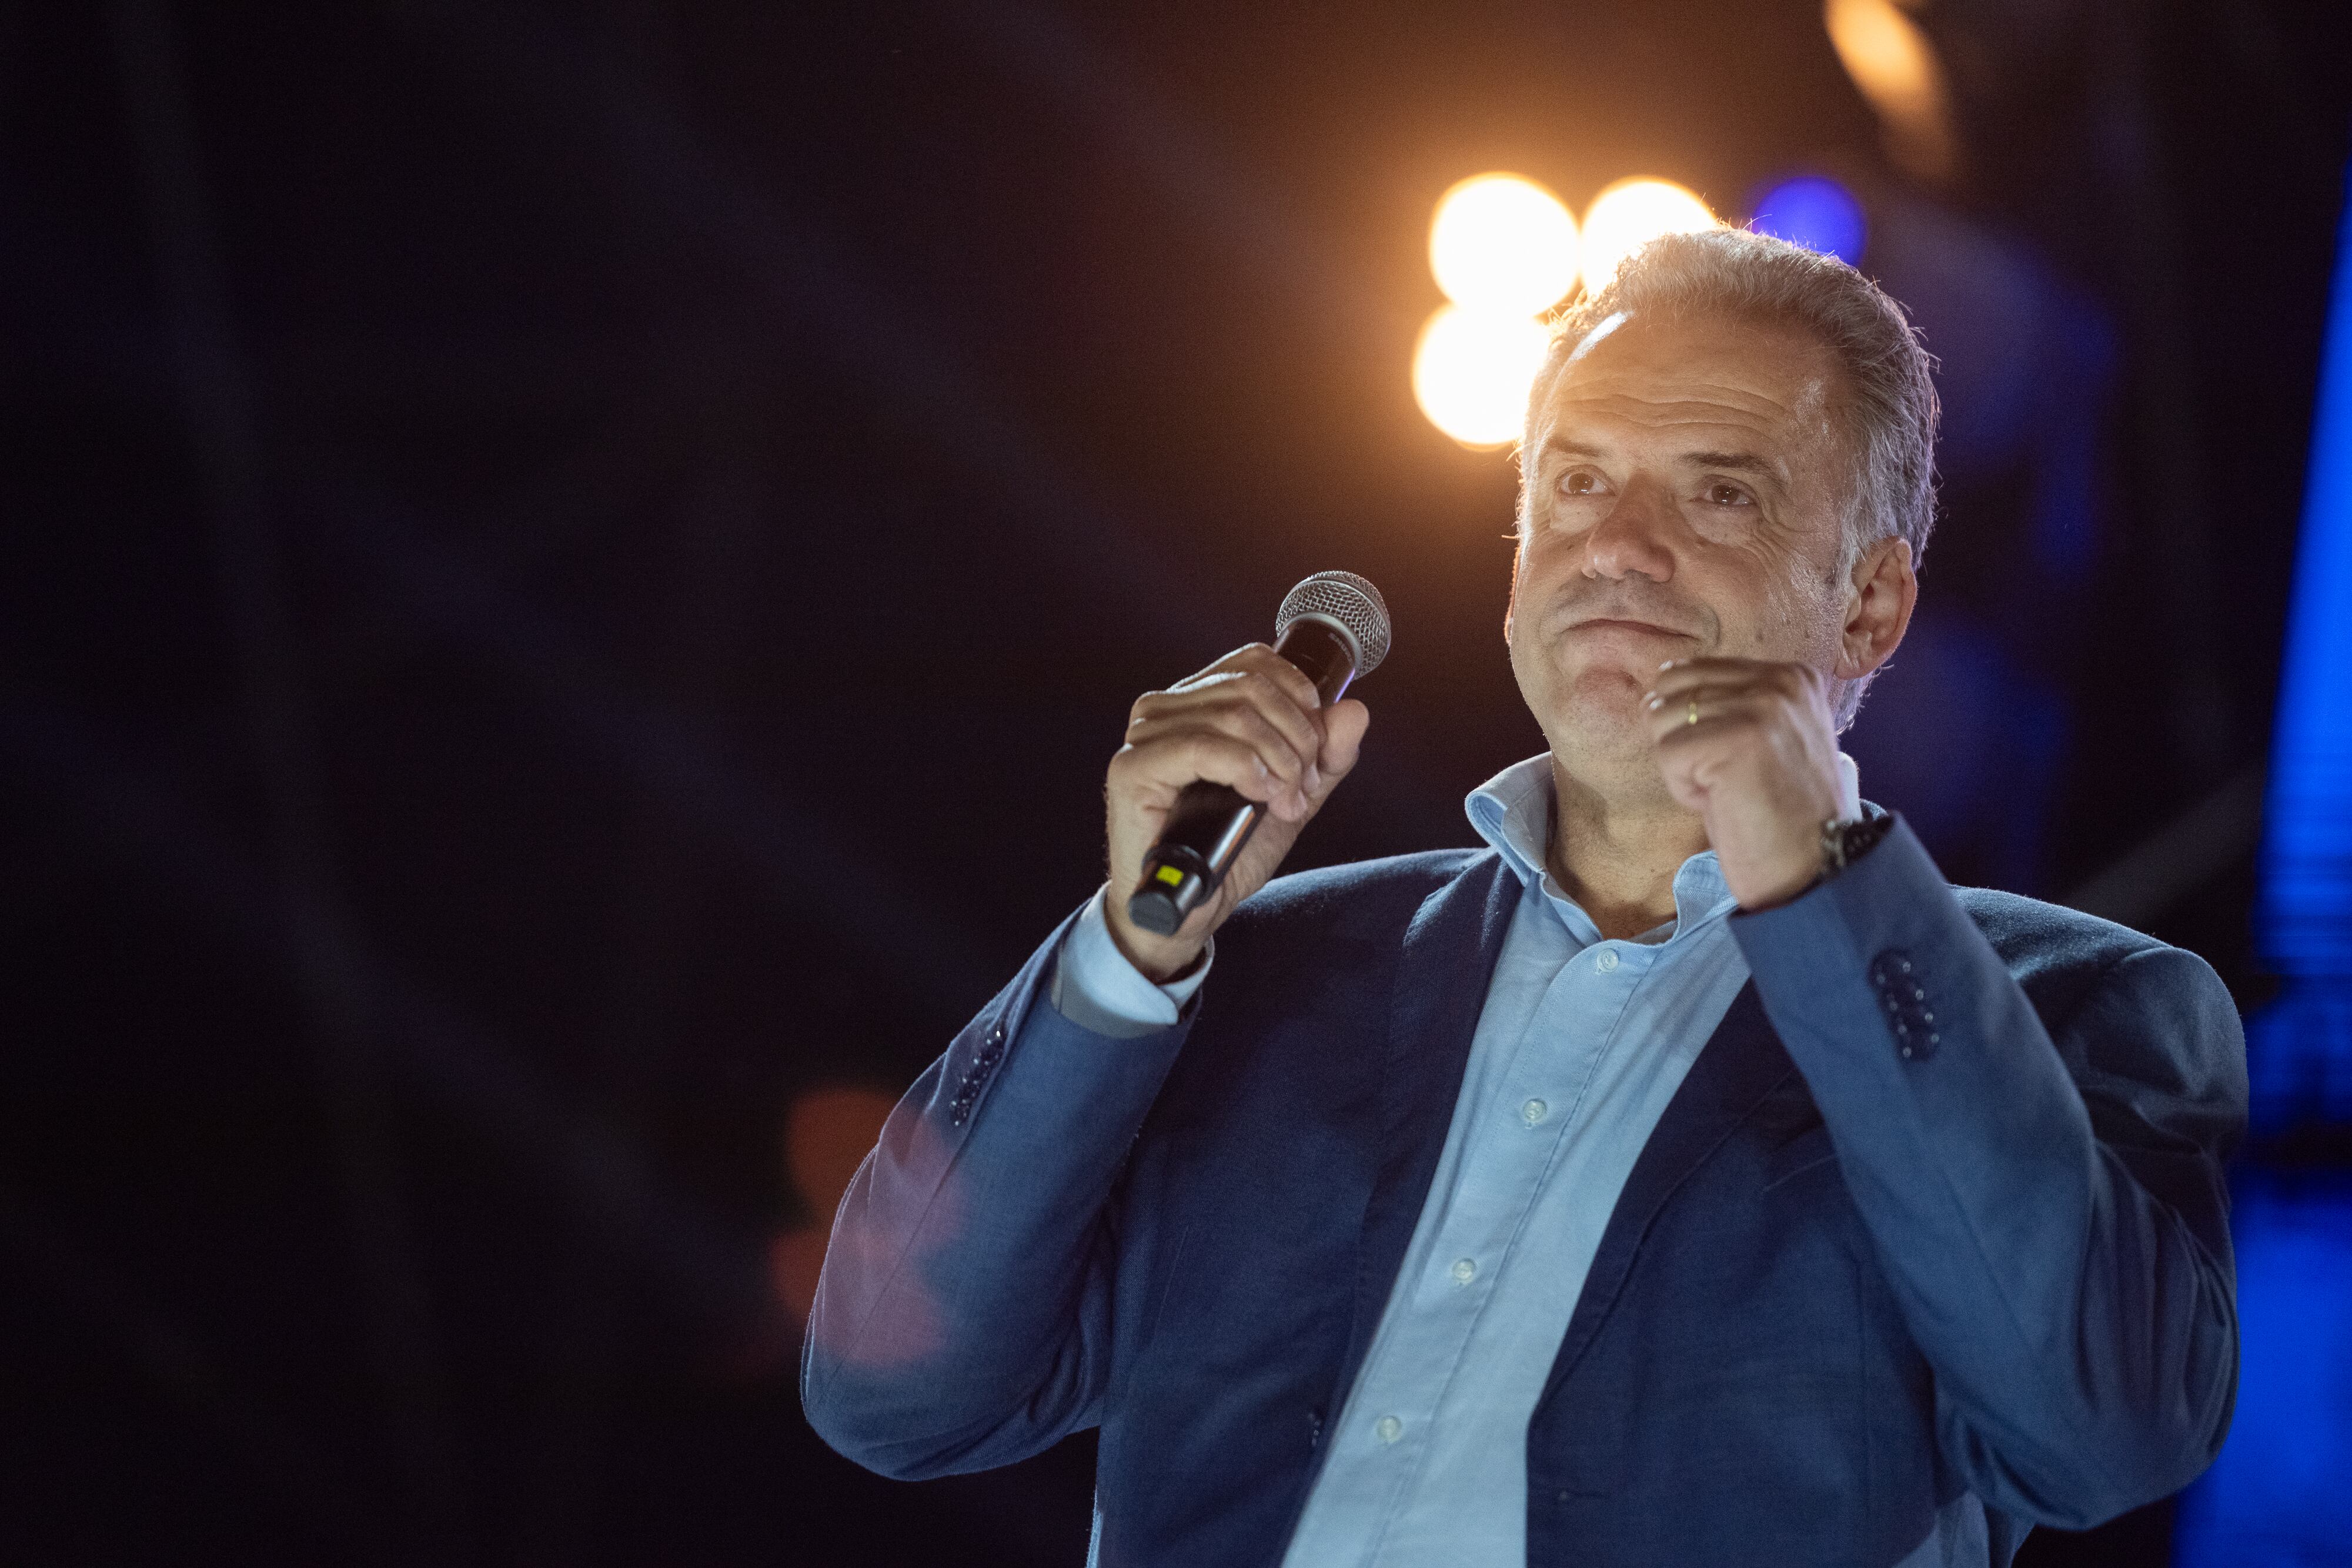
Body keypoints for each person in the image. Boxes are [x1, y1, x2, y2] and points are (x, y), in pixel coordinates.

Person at [800, 228, 2245, 1567]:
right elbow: (892, 1387)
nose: (1617, 542)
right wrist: (1130, 953)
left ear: (1867, 605)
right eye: (1575, 481)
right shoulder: (1261, 968)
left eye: (1718, 490)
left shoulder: (2066, 1007)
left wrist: (1829, 884)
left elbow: (2102, 1427)